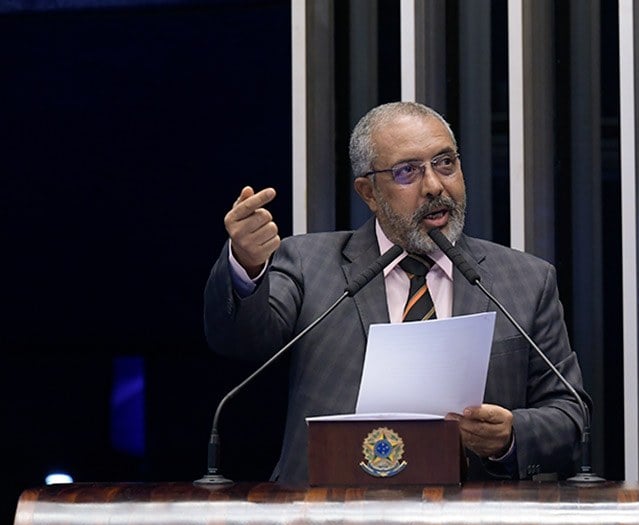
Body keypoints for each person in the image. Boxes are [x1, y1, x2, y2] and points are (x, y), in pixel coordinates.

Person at [204, 101, 591, 485]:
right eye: (408, 171)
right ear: (368, 192)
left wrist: (510, 436)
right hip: (327, 524)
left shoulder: (525, 281)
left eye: (445, 163)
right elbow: (240, 341)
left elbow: (571, 420)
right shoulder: (309, 264)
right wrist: (247, 265)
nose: (435, 186)